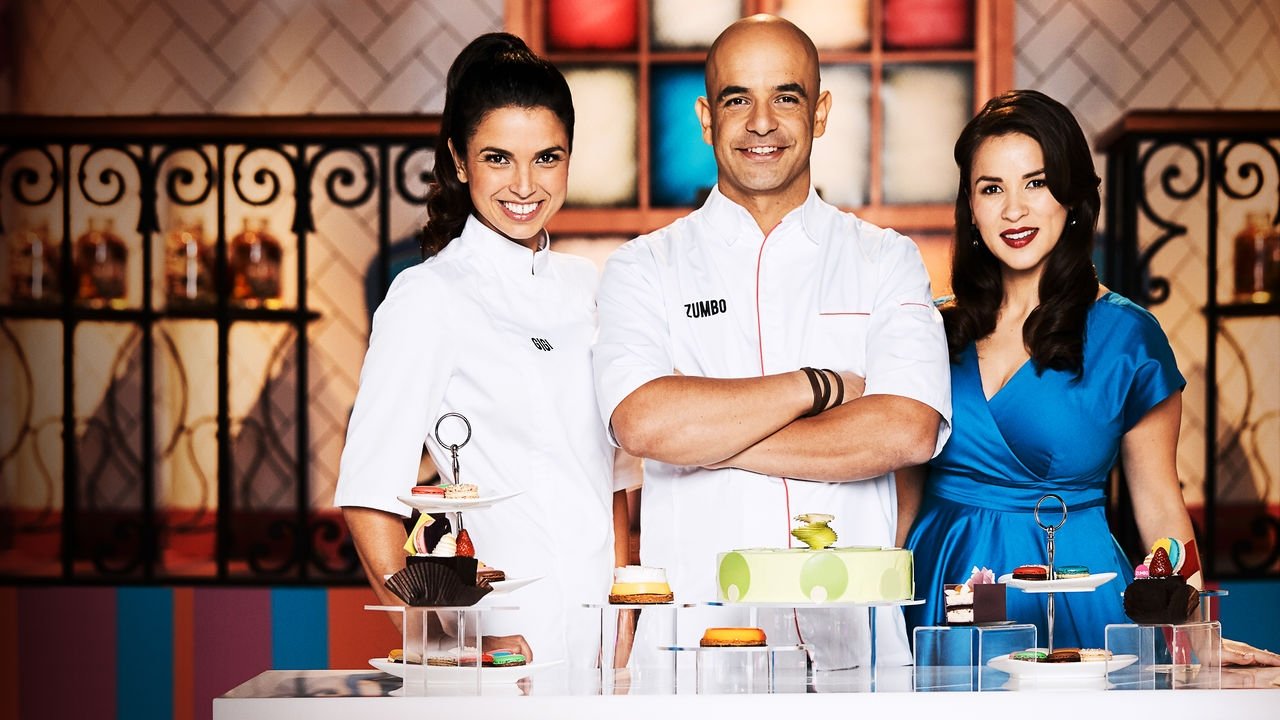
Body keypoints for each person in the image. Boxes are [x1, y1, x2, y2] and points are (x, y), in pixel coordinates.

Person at [592, 14, 951, 672]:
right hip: (695, 651)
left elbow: (908, 430)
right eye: (737, 100)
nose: (762, 123)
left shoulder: (886, 260)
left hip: (856, 650)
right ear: (706, 119)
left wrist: (706, 439)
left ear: (820, 113)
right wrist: (819, 388)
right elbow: (642, 423)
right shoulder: (643, 267)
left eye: (786, 97)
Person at [334, 32, 630, 669]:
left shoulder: (586, 287)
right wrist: (445, 643)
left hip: (606, 651)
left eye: (547, 158)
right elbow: (368, 496)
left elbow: (609, 481)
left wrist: (625, 618)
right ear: (460, 161)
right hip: (500, 652)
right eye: (499, 158)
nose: (525, 184)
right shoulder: (428, 296)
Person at [898, 89, 1195, 650]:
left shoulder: (1129, 338)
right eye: (992, 188)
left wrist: (1194, 643)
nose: (1014, 210)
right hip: (942, 586)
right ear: (971, 208)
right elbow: (900, 502)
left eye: (1035, 183)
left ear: (1073, 197)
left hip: (1077, 593)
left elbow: (1161, 510)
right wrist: (873, 620)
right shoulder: (928, 330)